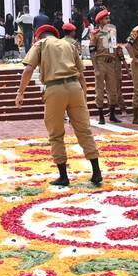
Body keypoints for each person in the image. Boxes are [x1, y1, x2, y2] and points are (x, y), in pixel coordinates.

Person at [15, 24, 103, 187]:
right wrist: (83, 92)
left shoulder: (40, 44)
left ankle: (63, 176)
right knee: (84, 131)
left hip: (55, 89)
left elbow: (28, 69)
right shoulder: (69, 44)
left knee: (56, 134)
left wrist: (20, 92)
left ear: (38, 36)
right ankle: (96, 172)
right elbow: (81, 73)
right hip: (74, 87)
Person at [88, 9, 122, 124]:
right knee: (100, 90)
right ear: (100, 21)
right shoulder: (95, 34)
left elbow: (114, 48)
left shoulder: (112, 32)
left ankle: (112, 114)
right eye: (106, 18)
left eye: (108, 18)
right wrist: (95, 68)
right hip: (101, 63)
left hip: (111, 63)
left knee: (113, 90)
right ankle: (101, 115)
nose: (108, 20)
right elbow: (92, 51)